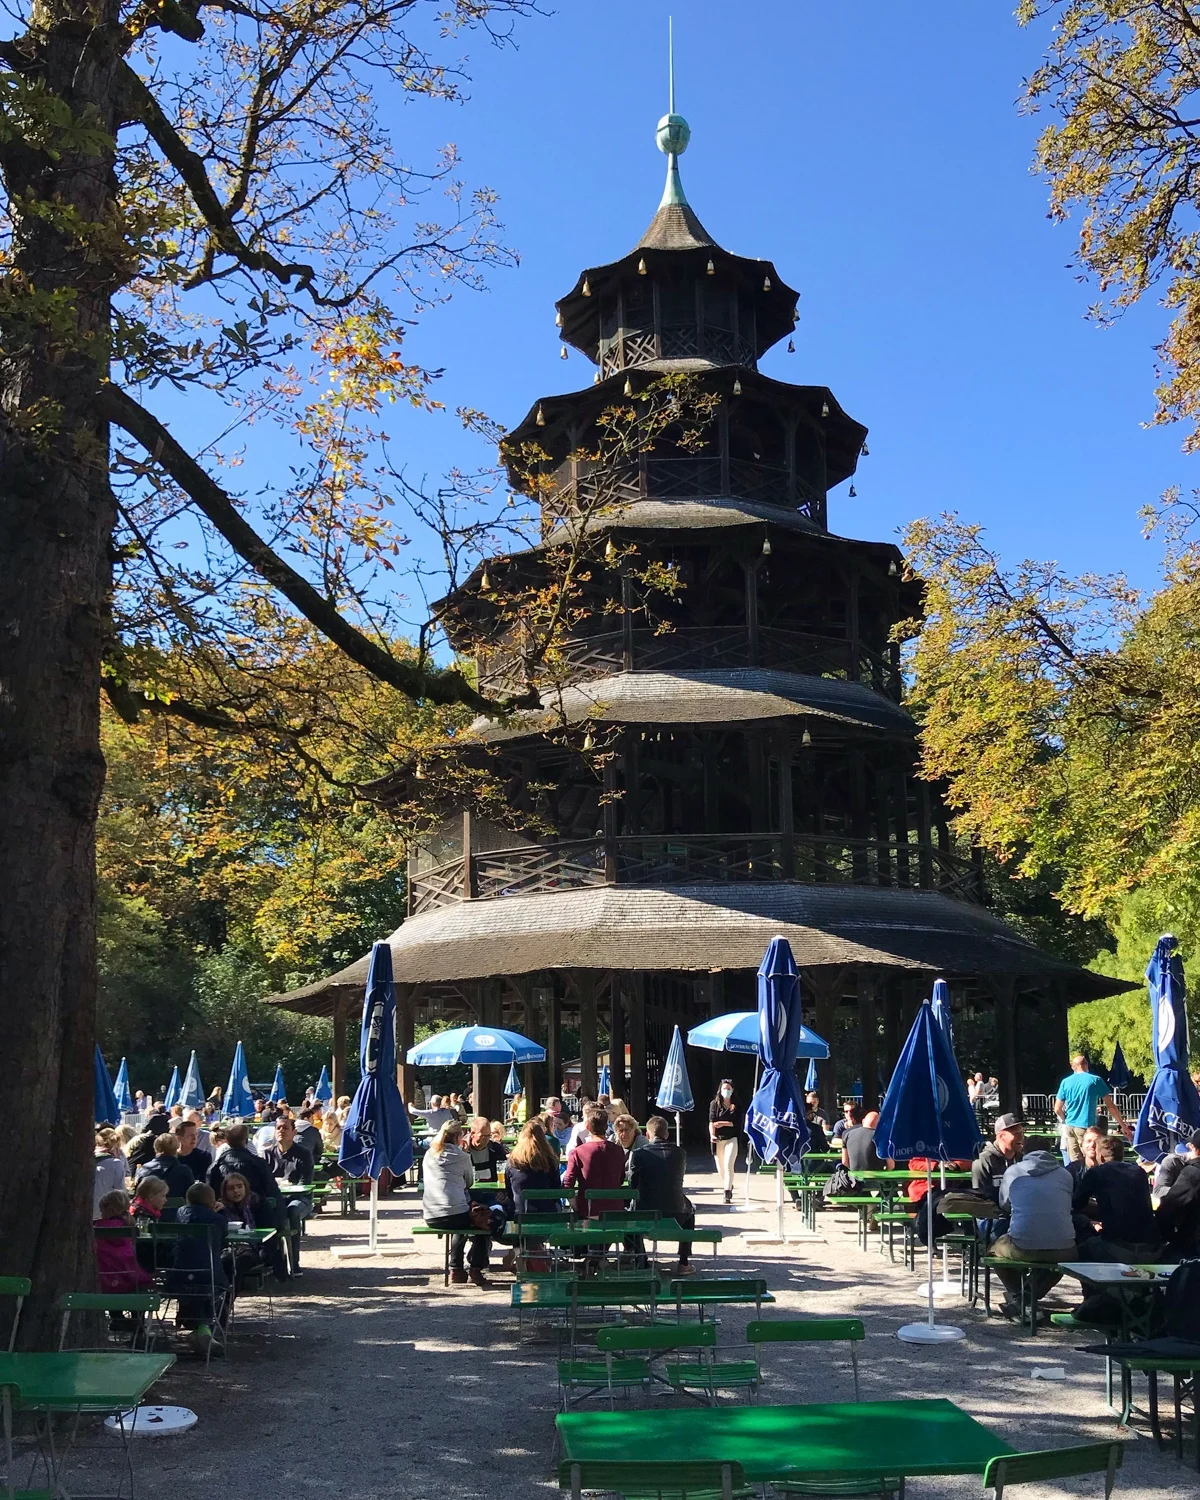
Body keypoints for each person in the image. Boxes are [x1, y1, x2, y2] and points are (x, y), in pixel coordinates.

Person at [991, 1150, 1077, 1315]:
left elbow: (1004, 1205)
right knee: (1060, 1260)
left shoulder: (1013, 1171)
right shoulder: (1065, 1174)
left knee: (992, 1251)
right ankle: (1029, 1295)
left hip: (1023, 1246)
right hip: (1064, 1249)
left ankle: (1020, 1296)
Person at [422, 1119, 491, 1287]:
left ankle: (455, 1269)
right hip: (455, 1213)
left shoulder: (429, 1154)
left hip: (431, 1214)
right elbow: (469, 1182)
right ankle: (475, 1267)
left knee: (461, 1220)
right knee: (483, 1223)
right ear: (458, 1137)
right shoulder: (462, 1156)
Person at [1074, 1136, 1163, 1260]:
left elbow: (1077, 1203)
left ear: (1100, 1157)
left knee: (1081, 1248)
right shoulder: (1139, 1172)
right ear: (1122, 1155)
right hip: (1150, 1245)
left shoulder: (1096, 1172)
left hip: (1115, 1245)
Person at [629, 1115, 695, 1275]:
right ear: (667, 1134)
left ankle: (641, 1260)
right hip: (677, 1212)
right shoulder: (680, 1153)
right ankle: (684, 1262)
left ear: (648, 1135)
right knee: (690, 1212)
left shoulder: (639, 1154)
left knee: (630, 1212)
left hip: (645, 1213)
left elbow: (632, 1184)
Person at [169, 1182, 229, 1355]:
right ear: (211, 1200)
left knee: (194, 1282)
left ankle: (200, 1330)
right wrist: (222, 1211)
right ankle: (207, 1330)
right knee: (223, 1286)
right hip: (209, 1277)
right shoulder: (216, 1219)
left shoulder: (180, 1213)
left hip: (178, 1277)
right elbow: (223, 1238)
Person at [1054, 1054, 1131, 1161]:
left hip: (1070, 1126)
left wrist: (1065, 1120)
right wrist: (1123, 1126)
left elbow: (1057, 1109)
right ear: (1086, 1065)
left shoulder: (1065, 1082)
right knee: (1092, 1158)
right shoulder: (1095, 1080)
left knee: (1075, 1162)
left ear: (1073, 1067)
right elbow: (1110, 1106)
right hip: (1086, 1126)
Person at [264, 1115, 314, 1273]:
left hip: (300, 1199)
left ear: (294, 1132)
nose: (281, 1131)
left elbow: (304, 1183)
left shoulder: (304, 1154)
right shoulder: (267, 1154)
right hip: (275, 1199)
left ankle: (294, 1264)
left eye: (285, 1128)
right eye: (278, 1128)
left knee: (292, 1212)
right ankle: (270, 1262)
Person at [563, 1106, 626, 1218]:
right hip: (615, 1210)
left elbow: (568, 1184)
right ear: (606, 1126)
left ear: (587, 1126)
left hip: (587, 1209)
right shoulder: (618, 1150)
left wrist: (576, 1206)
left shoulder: (578, 1152)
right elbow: (620, 1178)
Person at [94, 1189, 153, 1295]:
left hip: (105, 1278)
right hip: (130, 1276)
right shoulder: (129, 1226)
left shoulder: (98, 1227)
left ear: (107, 1210)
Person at [1157, 1129, 1200, 1255]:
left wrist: (1169, 1239)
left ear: (1192, 1147)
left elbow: (1167, 1210)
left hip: (1191, 1246)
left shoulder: (1192, 1173)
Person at [971, 1114, 1025, 1202]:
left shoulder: (1023, 1159)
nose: (1021, 1137)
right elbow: (980, 1197)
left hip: (1019, 1212)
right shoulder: (983, 1161)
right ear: (1000, 1136)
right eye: (1016, 1133)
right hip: (992, 1213)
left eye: (1022, 1132)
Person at [135, 1132, 195, 1199]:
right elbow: (191, 1196)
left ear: (155, 1148)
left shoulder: (144, 1169)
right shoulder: (184, 1171)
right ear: (176, 1148)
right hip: (177, 1208)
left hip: (148, 1208)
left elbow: (138, 1195)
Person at [709, 1080, 741, 1204]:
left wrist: (722, 1123)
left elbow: (737, 1123)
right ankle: (729, 1184)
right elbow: (711, 1122)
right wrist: (712, 1134)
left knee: (728, 1165)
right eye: (724, 1089)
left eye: (728, 1089)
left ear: (732, 1090)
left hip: (731, 1139)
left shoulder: (736, 1104)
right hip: (718, 1139)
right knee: (720, 1168)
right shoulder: (714, 1104)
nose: (726, 1091)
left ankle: (727, 1192)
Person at [842, 1108, 887, 1178]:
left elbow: (844, 1162)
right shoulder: (881, 1137)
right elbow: (891, 1165)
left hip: (854, 1180)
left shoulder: (848, 1134)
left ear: (863, 1121)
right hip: (876, 1179)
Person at [94, 1128, 129, 1217]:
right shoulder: (115, 1163)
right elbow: (121, 1195)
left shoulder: (85, 1161)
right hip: (105, 1214)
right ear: (115, 1147)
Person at [464, 1116, 506, 1182]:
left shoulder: (497, 1149)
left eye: (489, 1136)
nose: (486, 1139)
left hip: (492, 1191)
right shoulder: (462, 1151)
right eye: (483, 1136)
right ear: (472, 1134)